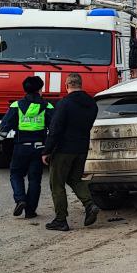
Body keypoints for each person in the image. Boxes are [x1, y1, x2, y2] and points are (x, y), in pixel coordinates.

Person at [42, 73, 99, 231]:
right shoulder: (91, 103)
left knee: (57, 183)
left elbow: (55, 129)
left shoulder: (64, 103)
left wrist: (47, 151)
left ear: (66, 85)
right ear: (81, 84)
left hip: (64, 149)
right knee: (75, 179)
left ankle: (61, 219)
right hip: (81, 148)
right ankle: (90, 205)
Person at [0, 75, 53, 219]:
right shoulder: (47, 106)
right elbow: (54, 128)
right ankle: (30, 211)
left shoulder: (16, 106)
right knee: (34, 180)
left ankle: (20, 199)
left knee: (16, 174)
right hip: (39, 148)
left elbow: (5, 126)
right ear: (40, 89)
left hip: (21, 147)